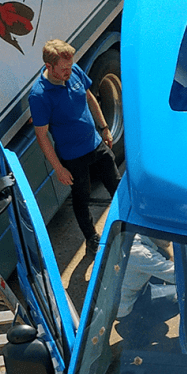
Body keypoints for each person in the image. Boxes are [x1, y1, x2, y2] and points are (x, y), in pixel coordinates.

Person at [29, 39, 120, 255]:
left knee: (116, 184)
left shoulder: (74, 70)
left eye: (70, 67)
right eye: (63, 69)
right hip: (72, 156)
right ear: (49, 67)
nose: (68, 72)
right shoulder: (39, 95)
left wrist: (105, 128)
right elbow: (41, 136)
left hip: (95, 144)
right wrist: (58, 169)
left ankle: (126, 225)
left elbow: (89, 98)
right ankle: (91, 237)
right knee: (82, 198)